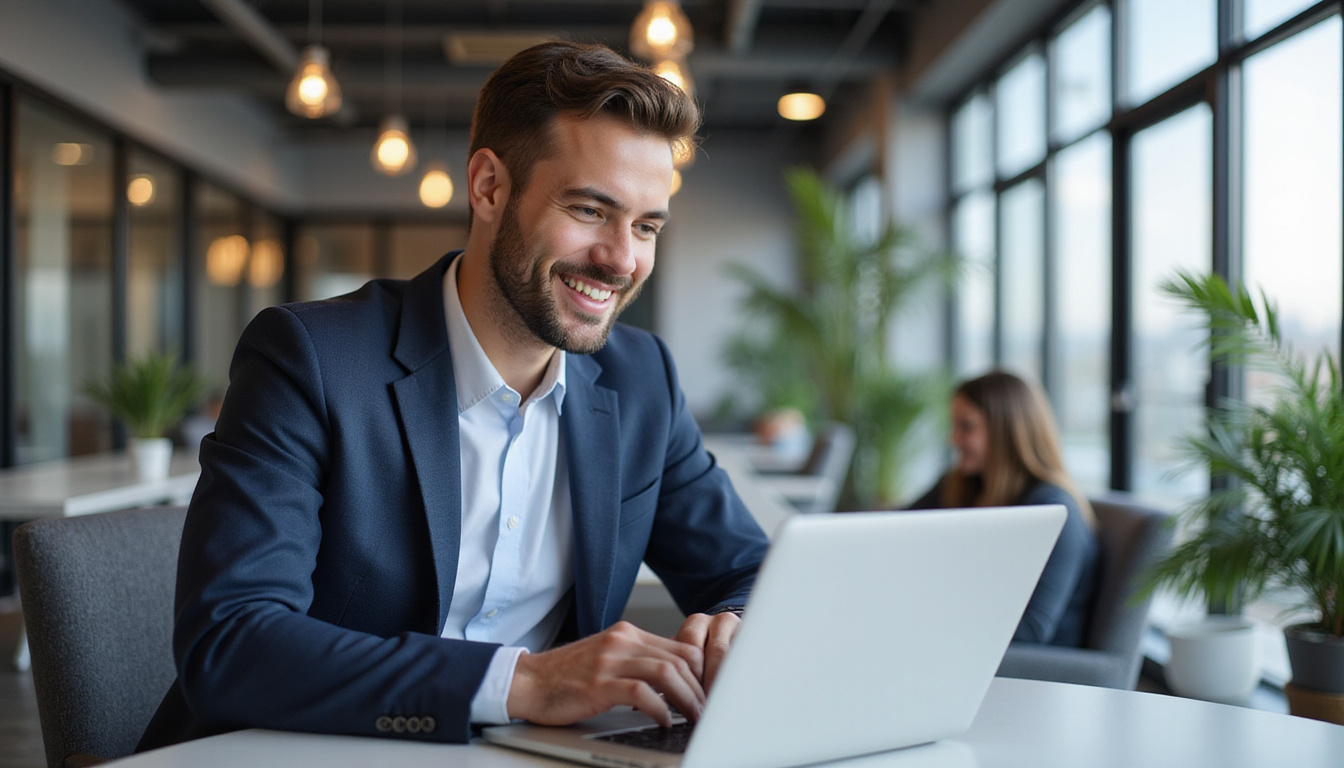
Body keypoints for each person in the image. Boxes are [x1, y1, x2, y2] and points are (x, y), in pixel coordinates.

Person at [138, 41, 770, 751]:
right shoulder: (310, 359)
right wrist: (525, 682)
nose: (622, 259)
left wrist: (736, 629)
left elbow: (749, 571)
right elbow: (231, 643)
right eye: (592, 211)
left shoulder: (641, 378)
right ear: (489, 188)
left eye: (647, 226)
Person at [908, 371, 1098, 647]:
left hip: (1036, 670)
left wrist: (930, 623)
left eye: (967, 427)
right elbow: (896, 528)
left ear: (1005, 432)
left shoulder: (1053, 510)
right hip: (968, 650)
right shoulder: (961, 485)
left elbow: (1032, 630)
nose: (954, 438)